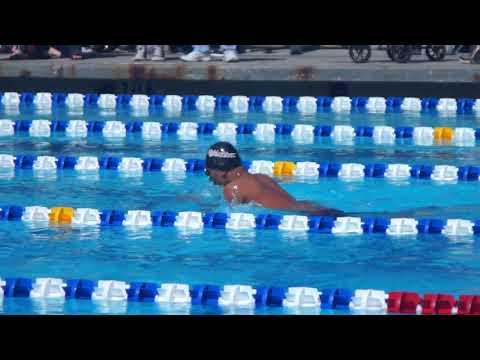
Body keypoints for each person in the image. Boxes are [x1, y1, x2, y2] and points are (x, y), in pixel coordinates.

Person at [204, 141, 345, 216]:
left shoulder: (233, 188)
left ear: (220, 172)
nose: (209, 178)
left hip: (302, 216)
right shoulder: (261, 177)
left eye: (208, 173)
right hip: (310, 207)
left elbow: (230, 215)